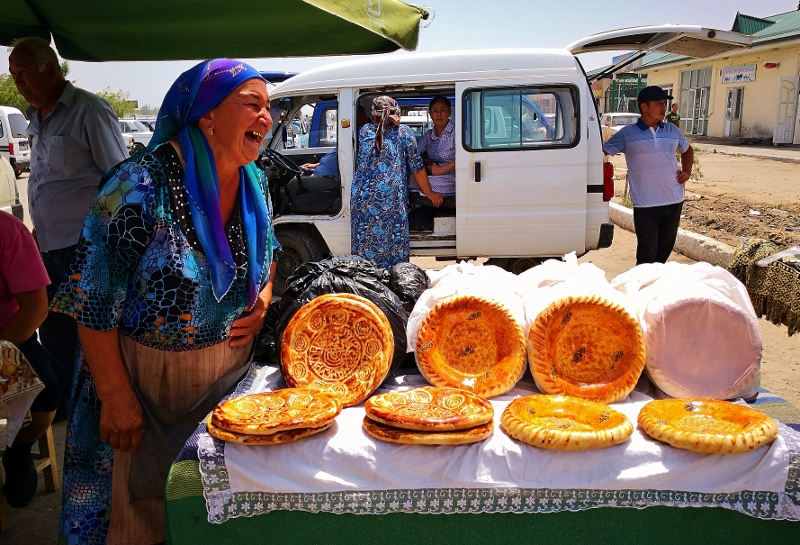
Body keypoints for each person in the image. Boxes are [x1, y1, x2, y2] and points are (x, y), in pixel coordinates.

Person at [49, 59, 281, 545]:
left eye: (269, 108)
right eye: (252, 104)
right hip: (138, 385)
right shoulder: (136, 185)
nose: (267, 118)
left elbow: (269, 253)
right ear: (206, 115)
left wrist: (261, 299)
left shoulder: (254, 183)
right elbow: (91, 301)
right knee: (133, 521)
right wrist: (115, 399)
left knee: (208, 518)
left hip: (222, 386)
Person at [8, 37, 129, 416]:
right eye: (13, 75)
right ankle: (63, 408)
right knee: (56, 329)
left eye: (24, 74)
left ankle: (95, 408)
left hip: (85, 246)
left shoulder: (90, 112)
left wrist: (105, 243)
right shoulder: (33, 116)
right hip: (46, 246)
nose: (19, 83)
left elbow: (121, 181)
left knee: (92, 332)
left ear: (51, 69)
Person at [0, 210, 61, 508]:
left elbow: (35, 309)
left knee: (45, 397)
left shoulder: (6, 230)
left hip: (10, 336)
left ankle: (18, 450)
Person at [603, 86, 693, 265]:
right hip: (646, 204)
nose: (663, 108)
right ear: (644, 107)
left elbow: (688, 150)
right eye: (658, 104)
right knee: (647, 254)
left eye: (664, 104)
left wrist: (687, 171)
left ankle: (655, 290)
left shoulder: (671, 130)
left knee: (663, 254)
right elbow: (602, 151)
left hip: (673, 200)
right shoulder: (627, 134)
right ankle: (640, 289)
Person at [351, 96, 443, 269]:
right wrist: (429, 193)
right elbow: (417, 168)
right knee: (393, 251)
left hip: (361, 202)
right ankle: (391, 285)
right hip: (390, 202)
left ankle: (369, 284)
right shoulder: (405, 133)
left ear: (373, 114)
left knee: (365, 251)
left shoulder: (364, 131)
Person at [409, 95, 456, 203]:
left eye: (443, 110)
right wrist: (427, 163)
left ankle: (430, 195)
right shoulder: (429, 135)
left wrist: (440, 170)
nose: (439, 114)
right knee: (412, 177)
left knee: (415, 181)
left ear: (449, 113)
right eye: (435, 110)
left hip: (451, 177)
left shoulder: (457, 133)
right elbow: (414, 154)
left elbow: (465, 158)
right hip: (434, 175)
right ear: (430, 114)